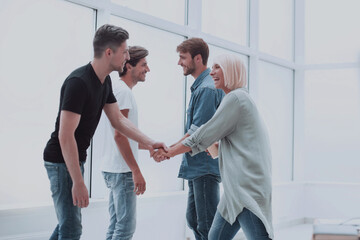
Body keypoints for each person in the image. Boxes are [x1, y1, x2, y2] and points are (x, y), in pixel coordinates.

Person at [43, 24, 166, 240]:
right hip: (60, 160)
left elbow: (118, 121)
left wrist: (150, 142)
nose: (127, 56)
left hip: (73, 158)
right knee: (72, 228)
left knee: (67, 225)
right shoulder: (78, 82)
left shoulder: (104, 81)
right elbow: (65, 135)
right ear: (109, 52)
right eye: (125, 51)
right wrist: (78, 182)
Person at [154, 54, 273, 240]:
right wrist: (218, 146)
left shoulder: (236, 99)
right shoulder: (239, 99)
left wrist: (169, 152)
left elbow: (203, 134)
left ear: (231, 71)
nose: (212, 73)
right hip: (235, 191)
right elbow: (235, 140)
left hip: (246, 189)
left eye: (218, 67)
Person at [173, 38, 225, 240]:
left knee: (206, 224)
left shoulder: (206, 89)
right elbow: (194, 130)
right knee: (194, 219)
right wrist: (171, 147)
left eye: (182, 58)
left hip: (204, 167)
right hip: (197, 167)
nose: (179, 63)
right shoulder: (201, 86)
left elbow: (198, 134)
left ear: (198, 58)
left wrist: (169, 151)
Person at [101, 46, 150, 240]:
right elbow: (119, 136)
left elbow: (125, 137)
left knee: (116, 226)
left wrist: (151, 147)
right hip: (121, 172)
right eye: (144, 64)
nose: (148, 69)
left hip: (114, 168)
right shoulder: (123, 92)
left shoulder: (119, 90)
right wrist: (136, 171)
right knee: (125, 229)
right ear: (129, 66)